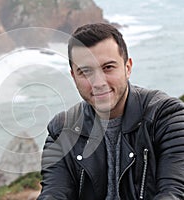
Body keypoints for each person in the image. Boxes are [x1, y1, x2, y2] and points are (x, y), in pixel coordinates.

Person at [37, 23, 184, 200]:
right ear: (73, 76)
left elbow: (174, 192)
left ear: (127, 67)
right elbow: (53, 194)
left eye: (108, 68)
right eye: (85, 72)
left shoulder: (167, 117)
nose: (98, 82)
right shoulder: (61, 131)